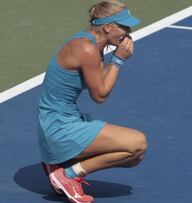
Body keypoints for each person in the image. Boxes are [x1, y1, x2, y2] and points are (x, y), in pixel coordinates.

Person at [37, 1, 148, 202]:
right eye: (124, 26)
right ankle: (68, 175)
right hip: (58, 128)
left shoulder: (91, 44)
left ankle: (60, 163)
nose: (128, 32)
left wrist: (114, 56)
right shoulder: (87, 50)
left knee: (134, 157)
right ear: (107, 27)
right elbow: (100, 96)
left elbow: (98, 83)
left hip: (61, 119)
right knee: (137, 144)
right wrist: (118, 59)